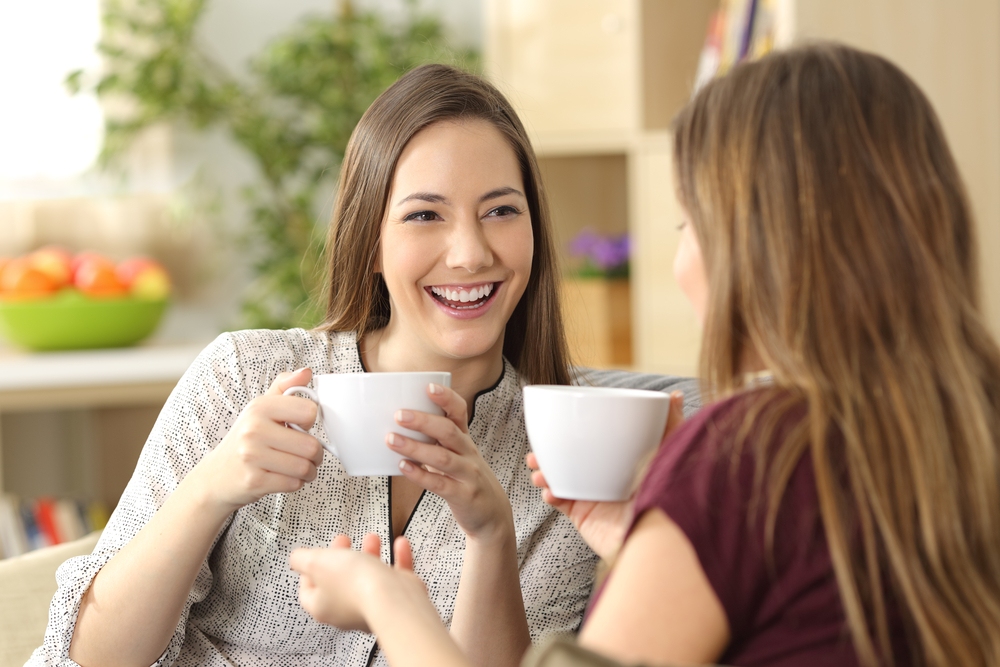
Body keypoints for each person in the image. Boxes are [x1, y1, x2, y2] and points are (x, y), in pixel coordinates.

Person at [288, 43, 1000, 667]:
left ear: (760, 247)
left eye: (689, 222)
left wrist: (389, 602)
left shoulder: (752, 453)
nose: (679, 260)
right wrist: (651, 540)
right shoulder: (973, 419)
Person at [29, 64, 603, 667]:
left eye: (501, 211)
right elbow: (87, 658)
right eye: (424, 215)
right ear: (371, 243)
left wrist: (491, 539)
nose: (469, 253)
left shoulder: (563, 463)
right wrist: (211, 489)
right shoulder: (241, 375)